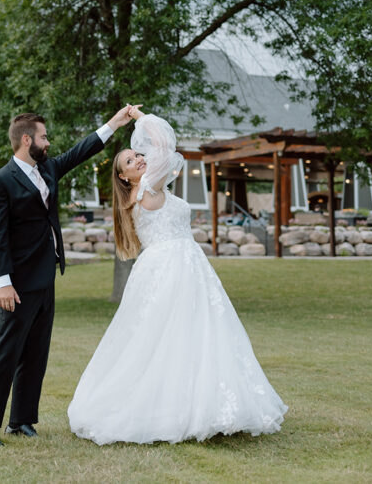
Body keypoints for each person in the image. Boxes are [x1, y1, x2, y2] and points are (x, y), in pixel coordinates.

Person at [67, 106, 288, 445]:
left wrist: (141, 131)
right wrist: (139, 119)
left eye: (138, 155)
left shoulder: (155, 188)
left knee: (199, 333)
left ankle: (206, 402)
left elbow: (163, 153)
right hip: (169, 269)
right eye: (130, 161)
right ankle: (168, 408)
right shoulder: (147, 189)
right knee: (165, 336)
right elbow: (166, 148)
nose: (139, 160)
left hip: (189, 266)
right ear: (125, 177)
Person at [0, 107, 133, 448]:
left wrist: (115, 123)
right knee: (6, 352)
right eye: (43, 137)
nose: (48, 142)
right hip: (17, 282)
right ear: (27, 140)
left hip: (46, 277)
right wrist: (3, 282)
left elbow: (80, 151)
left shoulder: (47, 168)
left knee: (36, 352)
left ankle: (22, 420)